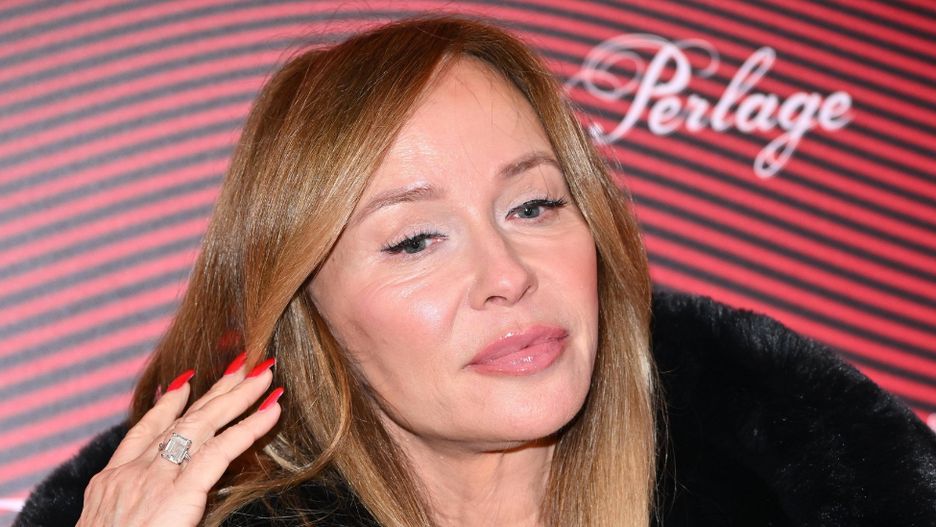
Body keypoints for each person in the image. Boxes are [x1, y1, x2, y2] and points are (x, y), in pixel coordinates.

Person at [13, 14, 936, 527]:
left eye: (533, 206)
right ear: (310, 316)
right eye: (416, 239)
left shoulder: (807, 487)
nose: (507, 274)